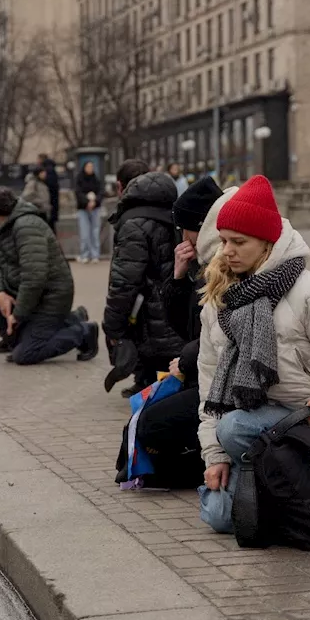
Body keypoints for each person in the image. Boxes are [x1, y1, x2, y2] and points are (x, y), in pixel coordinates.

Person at [195, 176, 310, 534]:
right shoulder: (220, 301)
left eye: (239, 242)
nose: (227, 251)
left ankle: (289, 493)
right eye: (224, 241)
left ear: (267, 243)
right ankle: (281, 494)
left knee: (234, 428)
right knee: (219, 517)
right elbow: (208, 388)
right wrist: (214, 456)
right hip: (256, 433)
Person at [120, 175, 226, 488]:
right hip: (200, 373)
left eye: (185, 229)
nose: (182, 236)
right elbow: (187, 328)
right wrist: (178, 279)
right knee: (138, 425)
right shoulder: (202, 263)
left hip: (215, 381)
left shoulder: (224, 262)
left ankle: (200, 469)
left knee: (151, 425)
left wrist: (185, 359)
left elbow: (218, 332)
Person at [0, 187, 100, 365]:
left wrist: (18, 315)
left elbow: (34, 279)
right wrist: (0, 293)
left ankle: (82, 331)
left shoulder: (27, 227)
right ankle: (14, 337)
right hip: (30, 290)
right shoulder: (3, 225)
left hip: (51, 297)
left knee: (25, 355)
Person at [104, 170, 186, 398]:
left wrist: (112, 326)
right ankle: (151, 382)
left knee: (147, 340)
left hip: (145, 308)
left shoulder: (132, 224)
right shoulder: (175, 218)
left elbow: (124, 282)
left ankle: (150, 383)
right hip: (170, 302)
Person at [75, 161, 104, 264]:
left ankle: (95, 255)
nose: (90, 168)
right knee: (84, 232)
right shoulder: (79, 179)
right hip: (83, 209)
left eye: (91, 166)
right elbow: (78, 193)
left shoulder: (96, 179)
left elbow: (101, 192)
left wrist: (94, 202)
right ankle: (85, 254)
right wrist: (87, 202)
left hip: (95, 208)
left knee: (95, 232)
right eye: (88, 166)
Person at [39, 154, 61, 229]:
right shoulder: (53, 170)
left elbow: (49, 187)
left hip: (48, 203)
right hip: (53, 202)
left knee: (48, 227)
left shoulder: (47, 171)